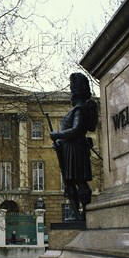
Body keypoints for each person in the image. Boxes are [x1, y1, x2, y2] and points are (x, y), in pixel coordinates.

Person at [50, 72, 94, 218]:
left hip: (76, 149)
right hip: (69, 149)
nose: (71, 91)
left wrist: (57, 135)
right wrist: (60, 142)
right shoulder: (78, 109)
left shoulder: (80, 109)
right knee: (70, 183)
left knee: (79, 181)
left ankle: (87, 213)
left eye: (72, 87)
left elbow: (76, 130)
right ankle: (77, 214)